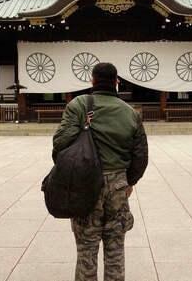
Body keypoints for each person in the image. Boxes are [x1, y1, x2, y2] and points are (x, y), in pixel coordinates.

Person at [52, 63, 148, 281]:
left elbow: (60, 144)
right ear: (116, 82)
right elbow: (141, 156)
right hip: (117, 187)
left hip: (85, 185)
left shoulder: (78, 105)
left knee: (86, 250)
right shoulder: (131, 113)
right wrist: (127, 182)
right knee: (115, 251)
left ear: (92, 80)